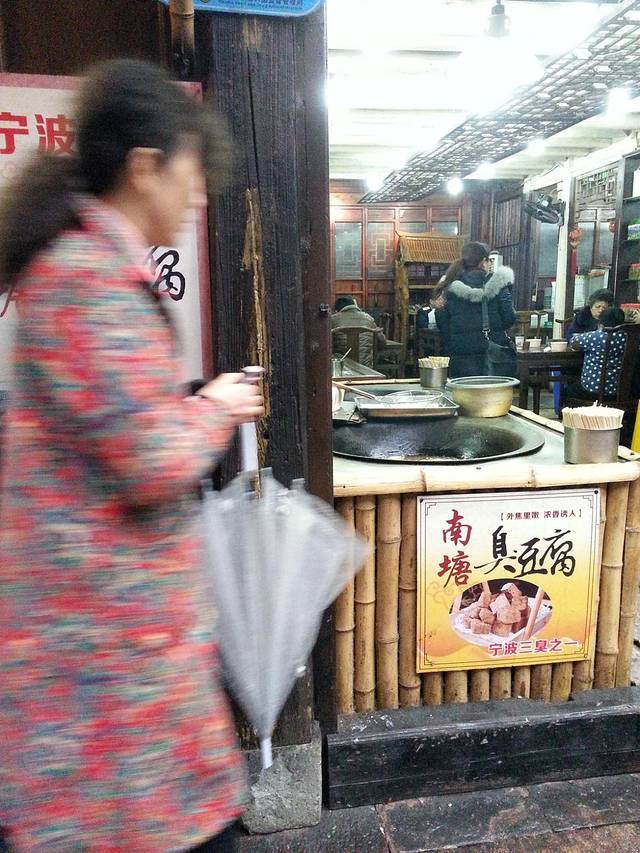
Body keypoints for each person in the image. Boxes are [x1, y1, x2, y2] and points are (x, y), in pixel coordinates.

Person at [0, 60, 264, 853]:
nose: (199, 195)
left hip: (115, 641)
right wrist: (215, 405)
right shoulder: (86, 279)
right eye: (191, 172)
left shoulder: (87, 264)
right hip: (102, 652)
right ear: (144, 166)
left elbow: (123, 425)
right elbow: (151, 458)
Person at [434, 242, 517, 378]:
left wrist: (456, 339)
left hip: (461, 355)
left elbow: (442, 320)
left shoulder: (450, 287)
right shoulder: (499, 285)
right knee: (495, 391)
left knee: (464, 391)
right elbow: (509, 318)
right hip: (492, 354)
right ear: (483, 262)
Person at [568, 306, 626, 400]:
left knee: (569, 389)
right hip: (619, 391)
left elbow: (573, 342)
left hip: (592, 390)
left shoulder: (595, 336)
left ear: (601, 322)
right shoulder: (628, 337)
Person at [331, 296, 386, 367]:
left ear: (336, 310)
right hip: (366, 367)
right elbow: (382, 343)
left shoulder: (333, 319)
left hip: (342, 367)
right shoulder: (368, 318)